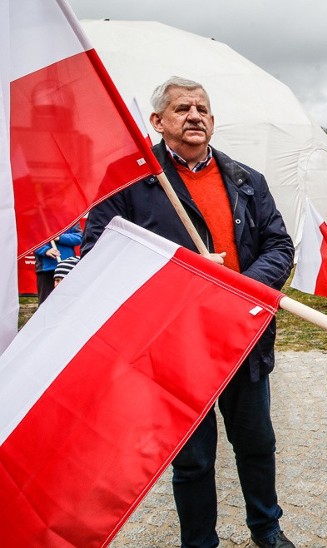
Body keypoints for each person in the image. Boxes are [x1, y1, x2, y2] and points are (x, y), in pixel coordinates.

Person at [83, 77, 296, 548]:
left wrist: (240, 288)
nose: (195, 115)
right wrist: (185, 273)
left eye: (202, 108)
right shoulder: (130, 181)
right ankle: (199, 541)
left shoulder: (246, 179)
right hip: (174, 343)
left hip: (243, 336)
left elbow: (279, 245)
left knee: (257, 444)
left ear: (214, 122)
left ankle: (267, 527)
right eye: (182, 108)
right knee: (193, 458)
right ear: (157, 121)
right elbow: (100, 249)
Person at [33, 224, 82, 303]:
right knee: (45, 303)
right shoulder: (37, 218)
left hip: (67, 268)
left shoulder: (71, 217)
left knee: (68, 301)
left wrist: (59, 237)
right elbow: (31, 240)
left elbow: (79, 238)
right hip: (46, 269)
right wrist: (45, 250)